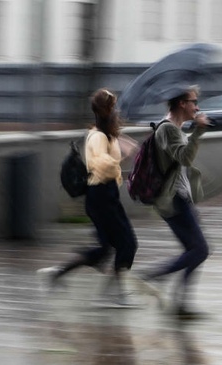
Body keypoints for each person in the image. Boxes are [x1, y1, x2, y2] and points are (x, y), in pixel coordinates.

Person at [38, 88, 139, 307]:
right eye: (114, 106)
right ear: (106, 110)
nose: (117, 110)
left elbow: (110, 154)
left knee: (107, 249)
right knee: (128, 244)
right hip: (101, 196)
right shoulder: (97, 136)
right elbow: (100, 165)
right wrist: (122, 160)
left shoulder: (105, 134)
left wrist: (122, 144)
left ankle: (58, 273)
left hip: (105, 195)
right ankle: (113, 293)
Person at [138, 85, 211, 319]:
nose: (197, 106)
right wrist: (198, 132)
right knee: (200, 249)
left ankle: (180, 304)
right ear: (182, 103)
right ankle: (153, 276)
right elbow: (185, 157)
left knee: (194, 250)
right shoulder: (167, 129)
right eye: (194, 101)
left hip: (178, 198)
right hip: (172, 200)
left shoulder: (173, 128)